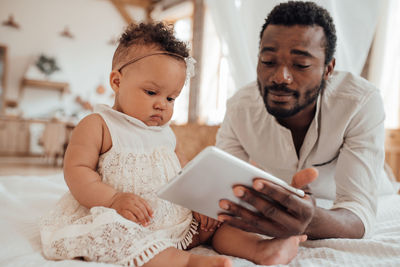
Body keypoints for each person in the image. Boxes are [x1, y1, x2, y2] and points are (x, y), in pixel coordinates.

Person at [40, 22, 306, 267]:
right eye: (152, 92)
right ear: (117, 82)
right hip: (124, 217)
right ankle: (187, 262)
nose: (161, 104)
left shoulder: (165, 133)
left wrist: (202, 204)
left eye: (171, 98)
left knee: (222, 222)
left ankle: (260, 249)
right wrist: (113, 199)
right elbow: (76, 172)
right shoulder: (99, 125)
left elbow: (185, 174)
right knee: (110, 233)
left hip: (176, 221)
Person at [216, 1, 395, 240]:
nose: (280, 77)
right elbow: (219, 190)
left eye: (300, 65)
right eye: (268, 61)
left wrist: (311, 220)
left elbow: (358, 212)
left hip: (376, 195)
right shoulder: (240, 108)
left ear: (328, 69)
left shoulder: (360, 102)